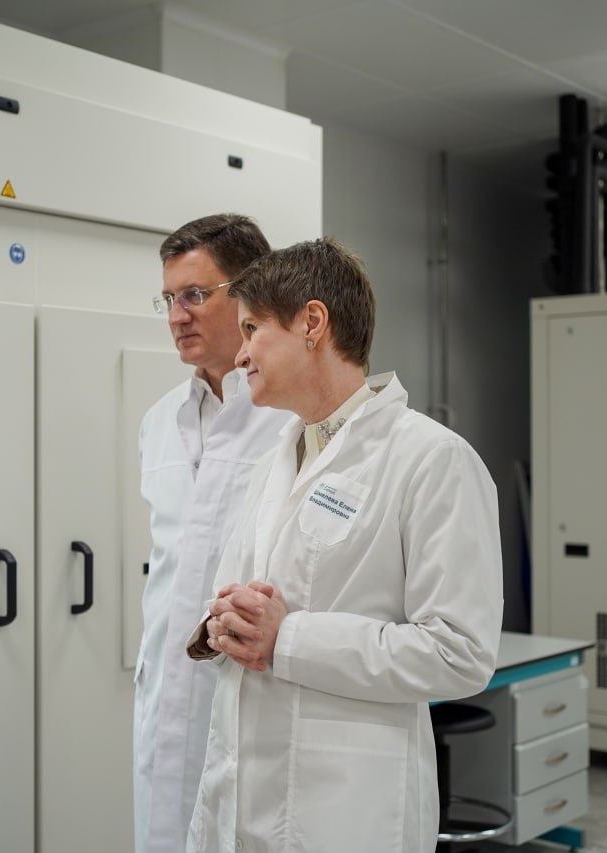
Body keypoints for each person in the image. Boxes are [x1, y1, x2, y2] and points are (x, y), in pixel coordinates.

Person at [185, 238, 504, 853]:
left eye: (252, 329)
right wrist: (221, 623)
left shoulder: (432, 460)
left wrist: (288, 638)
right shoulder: (276, 458)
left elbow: (460, 653)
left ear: (312, 323)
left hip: (345, 808)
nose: (240, 354)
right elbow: (246, 594)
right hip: (240, 794)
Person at [134, 214, 292, 853]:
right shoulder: (159, 422)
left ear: (251, 293)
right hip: (167, 686)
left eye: (196, 294)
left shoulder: (293, 420)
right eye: (169, 299)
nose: (178, 316)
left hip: (257, 685)